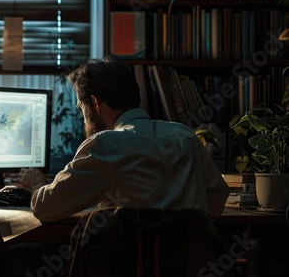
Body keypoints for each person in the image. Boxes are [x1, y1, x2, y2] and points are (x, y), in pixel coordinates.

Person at [15, 56, 230, 222]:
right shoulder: (186, 136)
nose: (83, 119)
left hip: (129, 274)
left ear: (95, 103)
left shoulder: (104, 146)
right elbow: (217, 198)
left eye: (82, 108)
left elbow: (45, 208)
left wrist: (36, 183)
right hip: (187, 271)